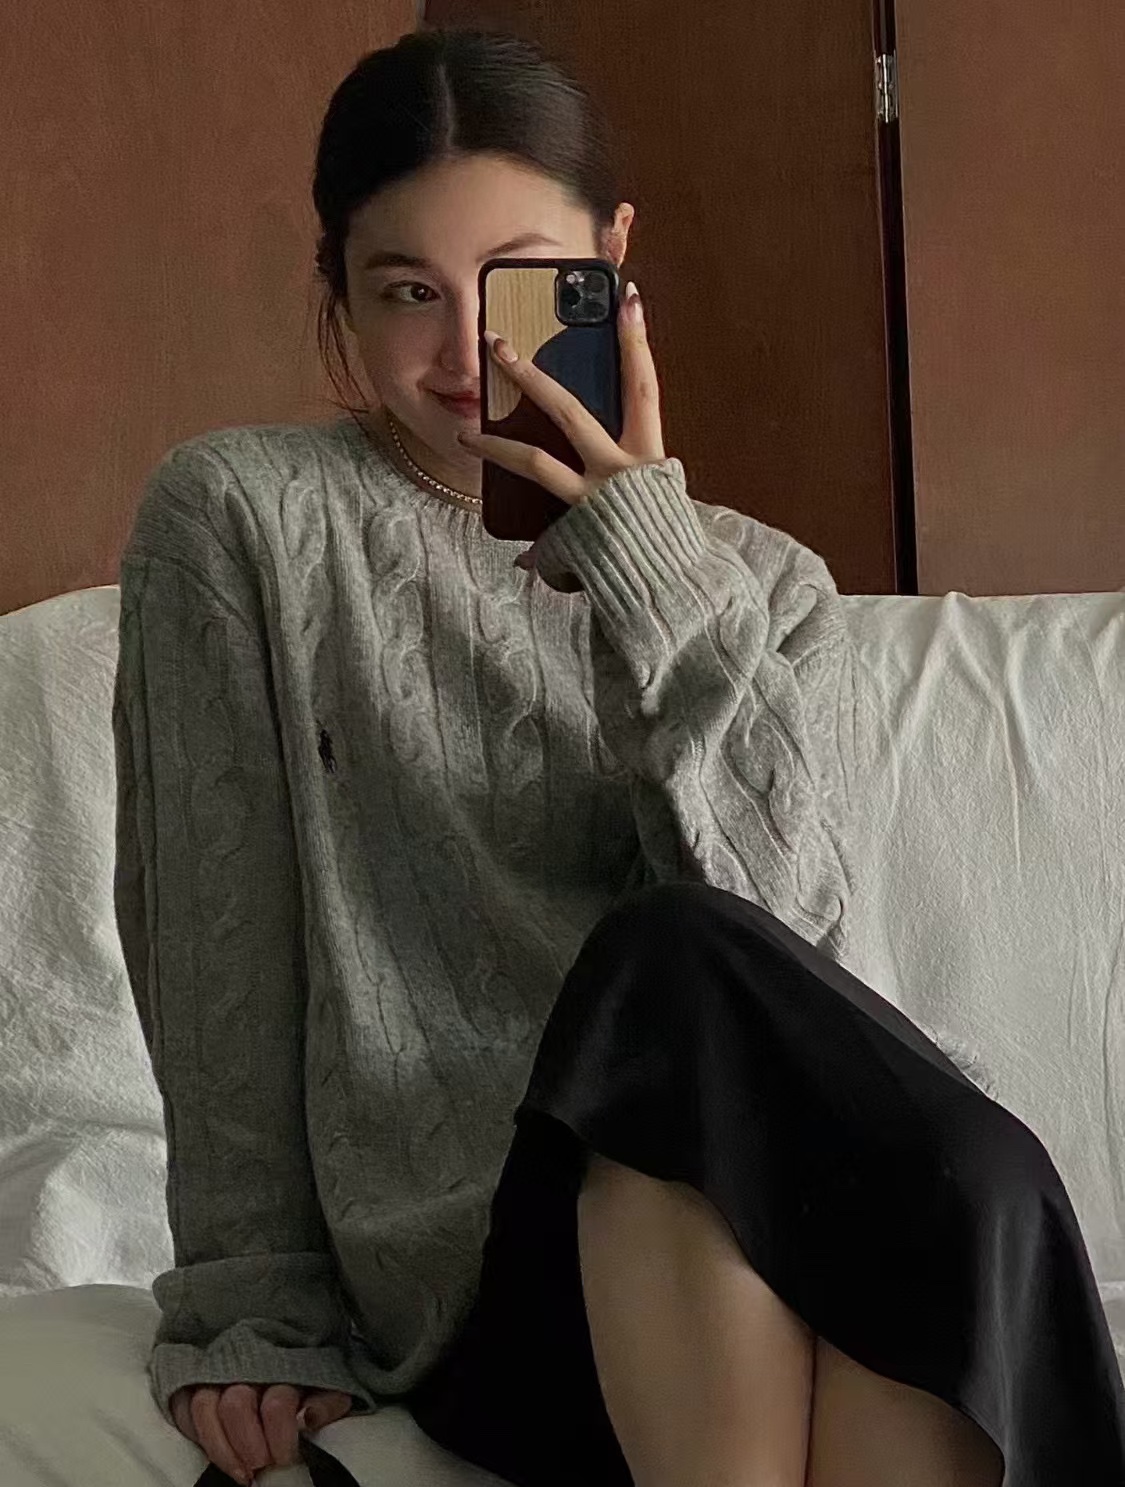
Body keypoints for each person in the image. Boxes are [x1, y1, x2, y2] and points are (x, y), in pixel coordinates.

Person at [111, 24, 1125, 1487]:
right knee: (681, 971)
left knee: (960, 1162)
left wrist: (644, 562)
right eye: (406, 290)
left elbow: (790, 973)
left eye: (521, 287)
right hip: (491, 1274)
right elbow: (221, 943)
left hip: (762, 1246)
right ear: (336, 286)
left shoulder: (759, 585)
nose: (468, 353)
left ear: (612, 262)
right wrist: (248, 1302)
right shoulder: (242, 519)